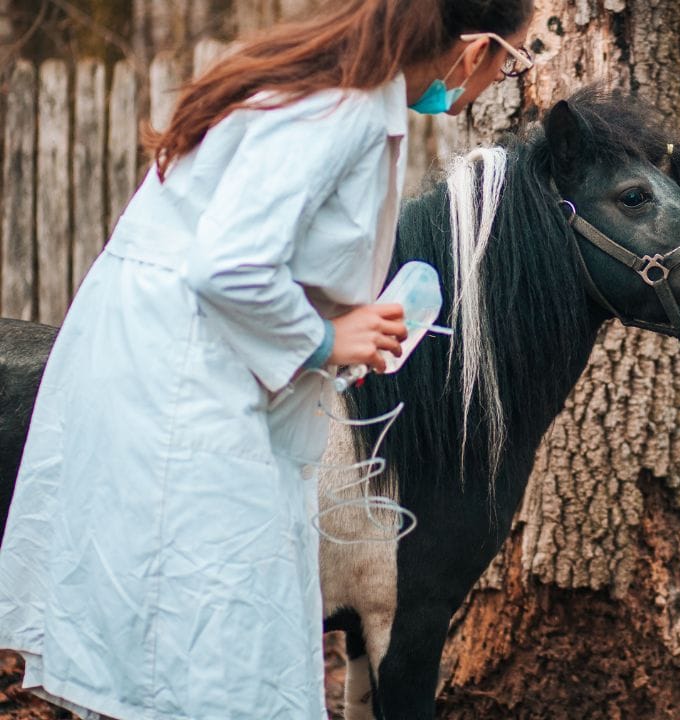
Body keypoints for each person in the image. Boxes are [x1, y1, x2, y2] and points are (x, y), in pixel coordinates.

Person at [0, 0, 533, 717]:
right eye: (512, 59)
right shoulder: (337, 107)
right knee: (204, 643)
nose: (502, 79)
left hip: (199, 367)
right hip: (187, 385)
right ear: (473, 47)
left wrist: (348, 317)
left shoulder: (343, 90)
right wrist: (324, 339)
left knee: (196, 638)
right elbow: (229, 267)